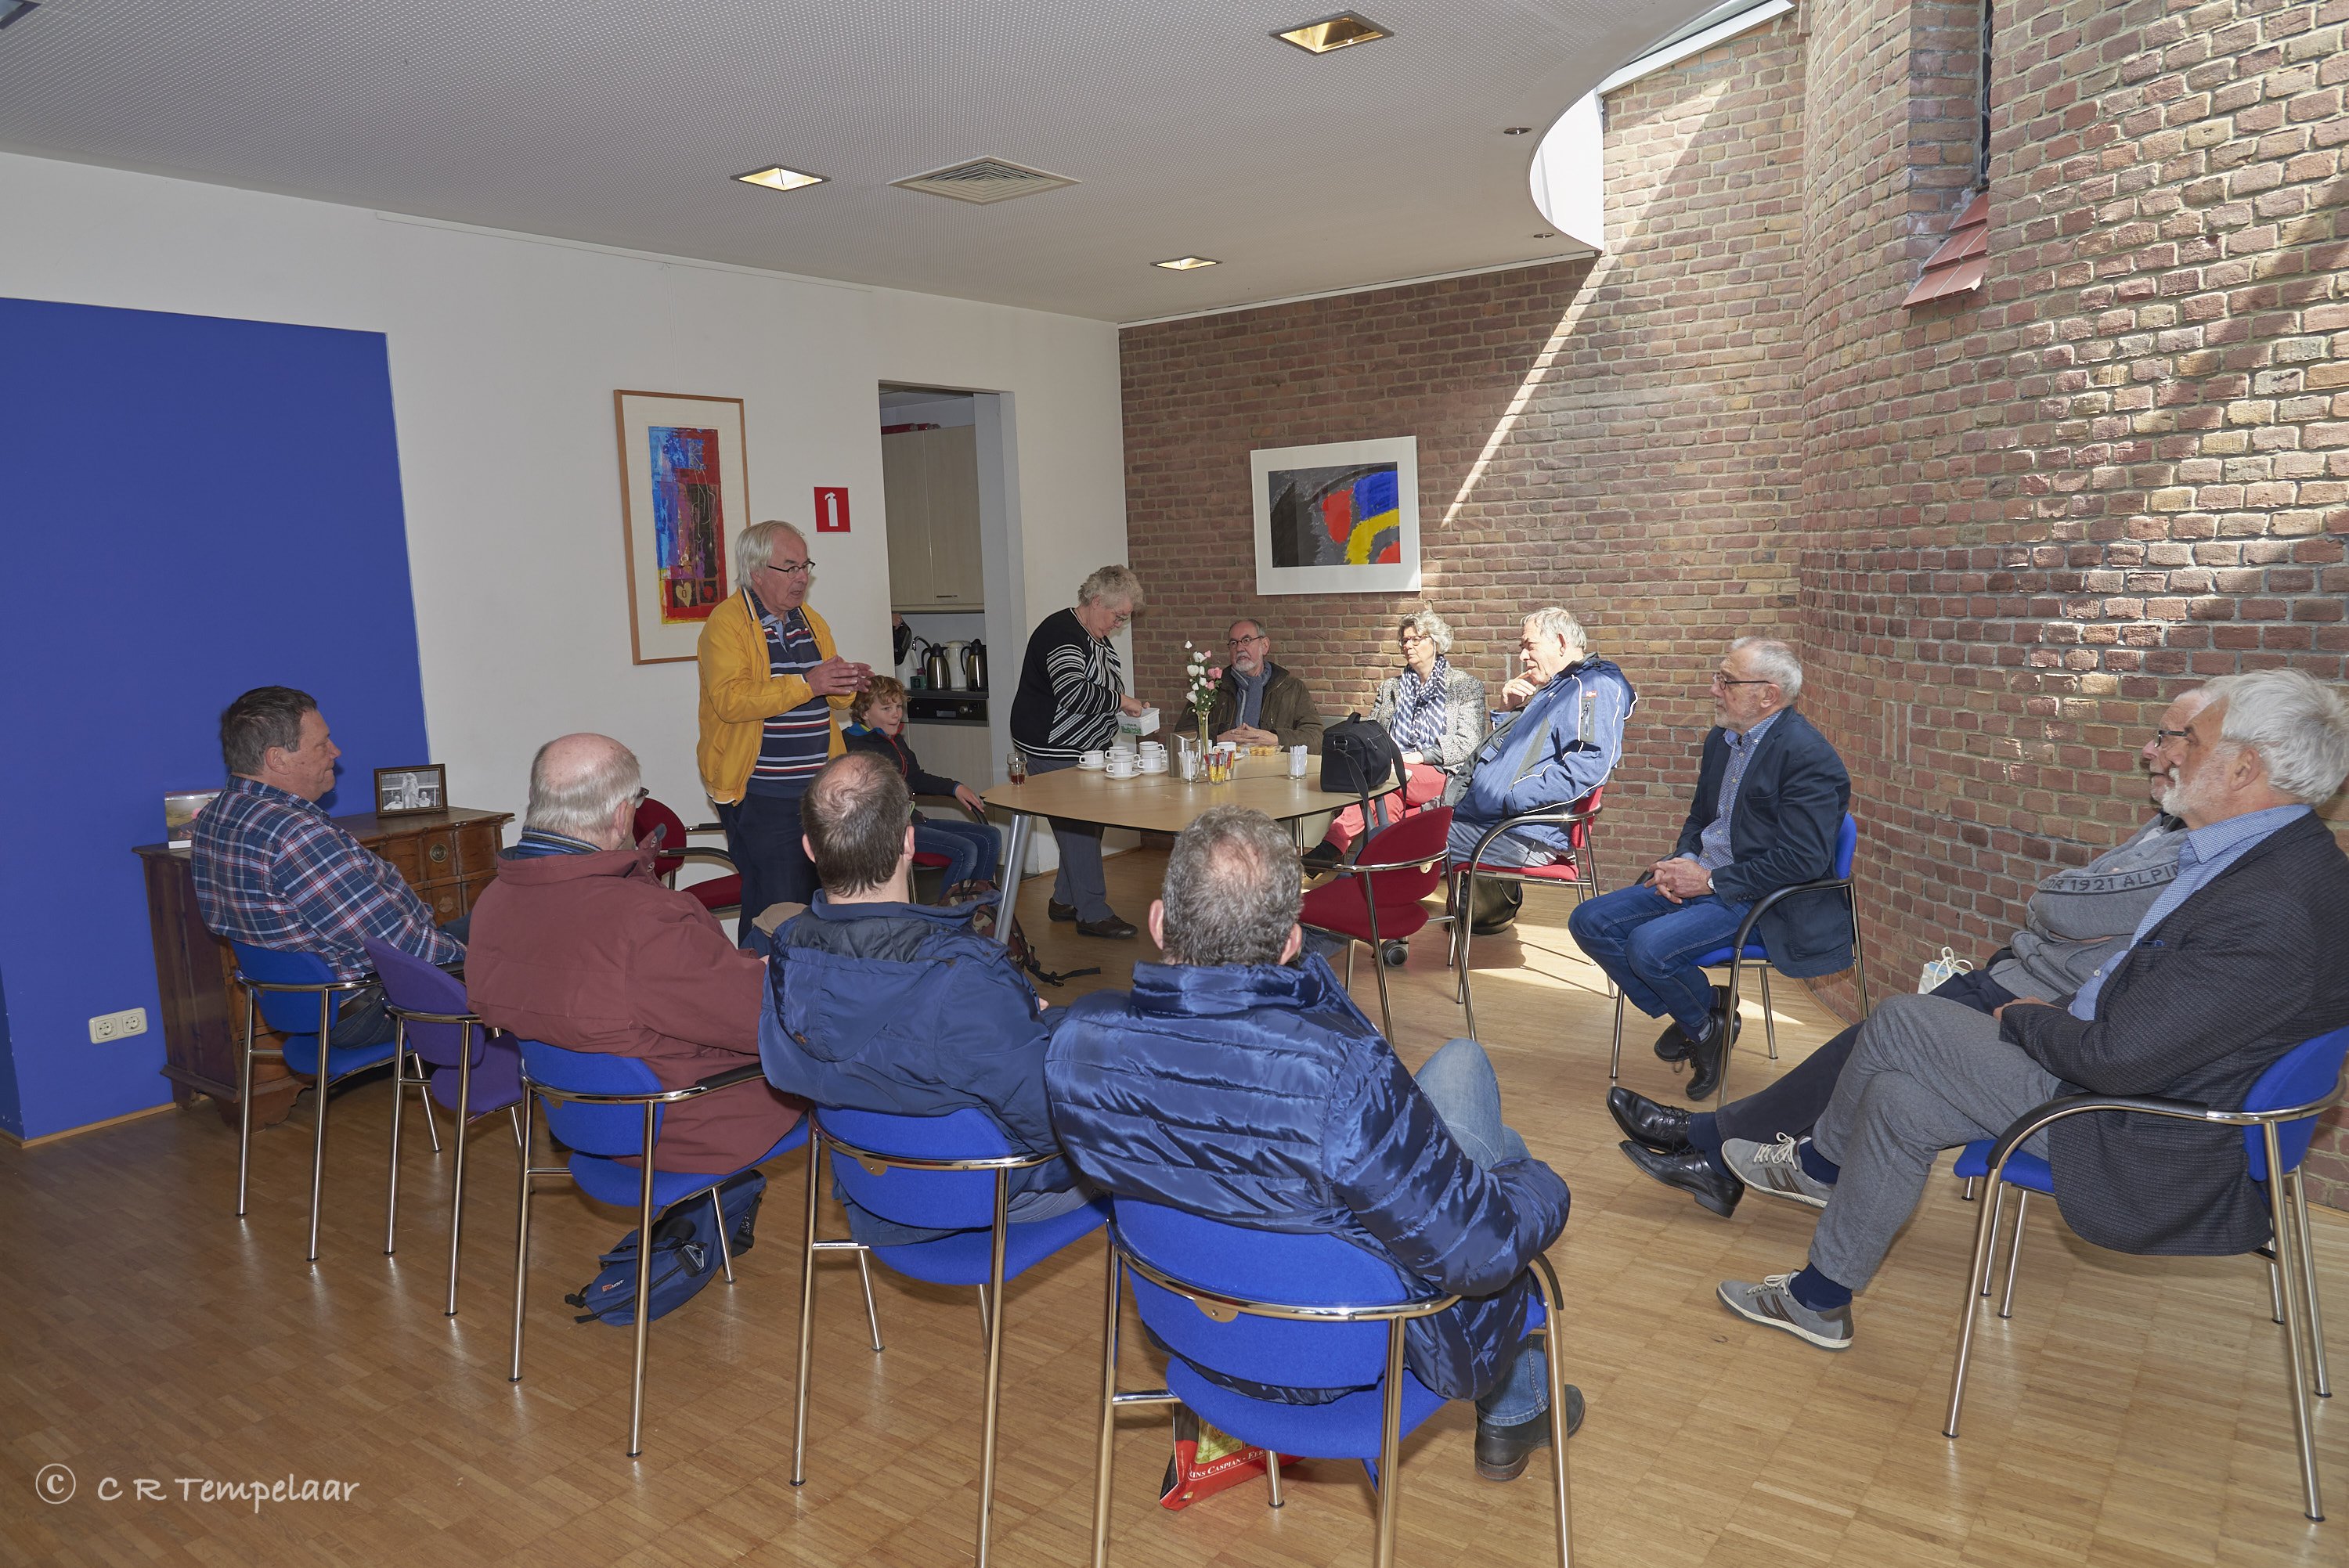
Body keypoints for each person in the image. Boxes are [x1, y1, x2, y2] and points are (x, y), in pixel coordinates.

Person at [1713, 669, 2349, 1353]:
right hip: (2134, 1084)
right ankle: (1818, 1300)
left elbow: (2118, 1059)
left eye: (2190, 740)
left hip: (2143, 1130)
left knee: (1901, 1021)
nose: (2170, 754)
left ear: (2244, 767)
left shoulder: (2268, 904)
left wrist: (2024, 1016)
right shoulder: (2272, 859)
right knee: (1898, 1098)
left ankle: (1818, 1164)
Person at [1046, 806, 1582, 1483]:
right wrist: (1541, 1182)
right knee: (1478, 1095)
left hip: (1196, 1335)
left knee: (1465, 1109)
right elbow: (1482, 1248)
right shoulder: (1341, 1077)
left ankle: (1515, 1403)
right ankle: (1513, 1407)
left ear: (1158, 922)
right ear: (1291, 944)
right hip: (1337, 1356)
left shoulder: (1081, 1049)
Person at [1614, 690, 2210, 1215]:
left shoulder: (2199, 850)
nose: (2148, 751)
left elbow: (2060, 904)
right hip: (2018, 974)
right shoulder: (2168, 825)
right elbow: (2067, 906)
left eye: (2166, 737)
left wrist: (2064, 909)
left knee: (1878, 1042)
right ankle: (1722, 1154)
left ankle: (1717, 1142)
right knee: (1864, 1047)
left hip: (2047, 1006)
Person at [758, 753, 1091, 1243]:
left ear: (810, 848)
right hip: (982, 1192)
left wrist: (1015, 1021)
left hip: (873, 1190)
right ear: (909, 842)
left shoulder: (785, 954)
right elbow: (1050, 1125)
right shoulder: (965, 978)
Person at [466, 734, 802, 1173]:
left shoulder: (493, 901)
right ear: (623, 813)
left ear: (535, 799)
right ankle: (718, 1211)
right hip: (681, 1118)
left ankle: (712, 1214)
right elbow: (764, 1022)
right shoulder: (643, 920)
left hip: (585, 1114)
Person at [1566, 636, 1849, 1100]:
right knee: (1588, 921)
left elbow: (1804, 860)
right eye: (1718, 678)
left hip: (1760, 899)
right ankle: (1704, 1020)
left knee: (1647, 949)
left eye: (1726, 681)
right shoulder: (1722, 740)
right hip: (1707, 879)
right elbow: (1701, 819)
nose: (1713, 690)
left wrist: (1711, 881)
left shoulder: (1808, 757)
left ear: (1768, 695)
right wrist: (1685, 859)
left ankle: (1696, 1019)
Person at [191, 685, 466, 1049]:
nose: (335, 752)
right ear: (278, 759)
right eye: (322, 744)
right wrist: (477, 963)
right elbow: (397, 946)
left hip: (306, 1003)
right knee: (518, 950)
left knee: (494, 927)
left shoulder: (217, 816)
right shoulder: (296, 834)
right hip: (366, 1001)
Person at [697, 518, 874, 944]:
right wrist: (807, 684)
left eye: (805, 566)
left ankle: (805, 979)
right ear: (757, 572)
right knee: (775, 909)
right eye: (790, 567)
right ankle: (760, 981)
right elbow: (731, 700)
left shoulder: (810, 621)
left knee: (819, 901)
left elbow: (832, 701)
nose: (801, 578)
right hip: (763, 793)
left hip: (819, 791)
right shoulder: (727, 624)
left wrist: (847, 685)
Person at [1445, 606, 1635, 934]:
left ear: (1560, 643)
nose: (1522, 656)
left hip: (1520, 832)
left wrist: (1510, 799)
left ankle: (1377, 935)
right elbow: (1517, 755)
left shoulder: (1592, 686)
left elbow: (1588, 766)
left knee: (1402, 844)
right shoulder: (1558, 686)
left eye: (1529, 645)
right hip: (1494, 821)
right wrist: (1507, 711)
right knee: (1402, 834)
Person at [1008, 564, 1149, 939]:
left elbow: (1097, 687)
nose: (1119, 624)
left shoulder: (1091, 632)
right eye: (1118, 616)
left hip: (1084, 747)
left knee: (1084, 826)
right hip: (1053, 746)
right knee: (1081, 829)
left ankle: (1064, 899)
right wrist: (1122, 701)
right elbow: (1073, 692)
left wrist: (1122, 711)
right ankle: (1093, 913)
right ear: (1097, 601)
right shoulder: (1062, 633)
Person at [1301, 608, 1488, 873]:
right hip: (1392, 769)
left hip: (1439, 770)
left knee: (1382, 780)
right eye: (1404, 640)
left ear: (1435, 642)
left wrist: (1420, 756)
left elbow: (1468, 743)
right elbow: (1372, 733)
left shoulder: (1465, 686)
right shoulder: (1391, 688)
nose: (1408, 646)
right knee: (1386, 797)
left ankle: (1332, 847)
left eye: (1416, 639)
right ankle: (1376, 874)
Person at [840, 676, 1000, 892]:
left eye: (898, 706)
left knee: (990, 837)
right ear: (864, 713)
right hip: (886, 832)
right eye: (887, 708)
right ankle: (951, 910)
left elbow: (915, 778)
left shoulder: (894, 739)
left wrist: (955, 788)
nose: (896, 714)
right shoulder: (851, 745)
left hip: (913, 822)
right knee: (966, 850)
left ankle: (979, 905)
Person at [1205, 618, 1326, 751]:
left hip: (1274, 763)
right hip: (1226, 762)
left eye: (1246, 640)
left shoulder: (1292, 688)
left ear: (1264, 646)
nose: (1239, 648)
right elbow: (1188, 735)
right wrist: (1220, 739)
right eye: (1234, 643)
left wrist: (1276, 740)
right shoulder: (1213, 689)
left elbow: (1315, 738)